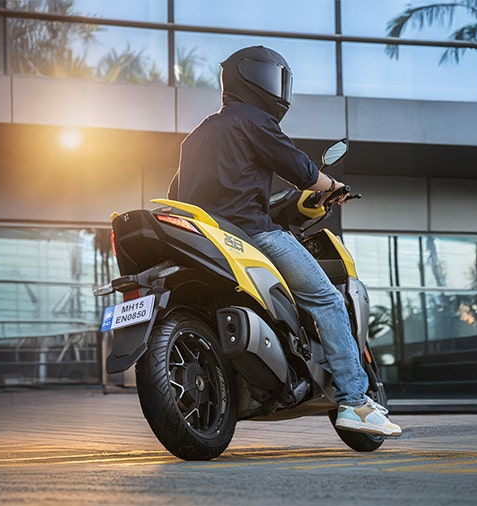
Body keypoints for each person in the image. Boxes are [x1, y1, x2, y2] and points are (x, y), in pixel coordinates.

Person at [168, 45, 401, 437]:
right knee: (327, 299)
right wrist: (334, 186)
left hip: (209, 241)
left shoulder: (196, 136)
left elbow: (176, 193)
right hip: (252, 235)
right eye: (271, 78)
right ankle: (355, 403)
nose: (276, 88)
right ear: (250, 78)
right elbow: (300, 169)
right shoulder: (254, 120)